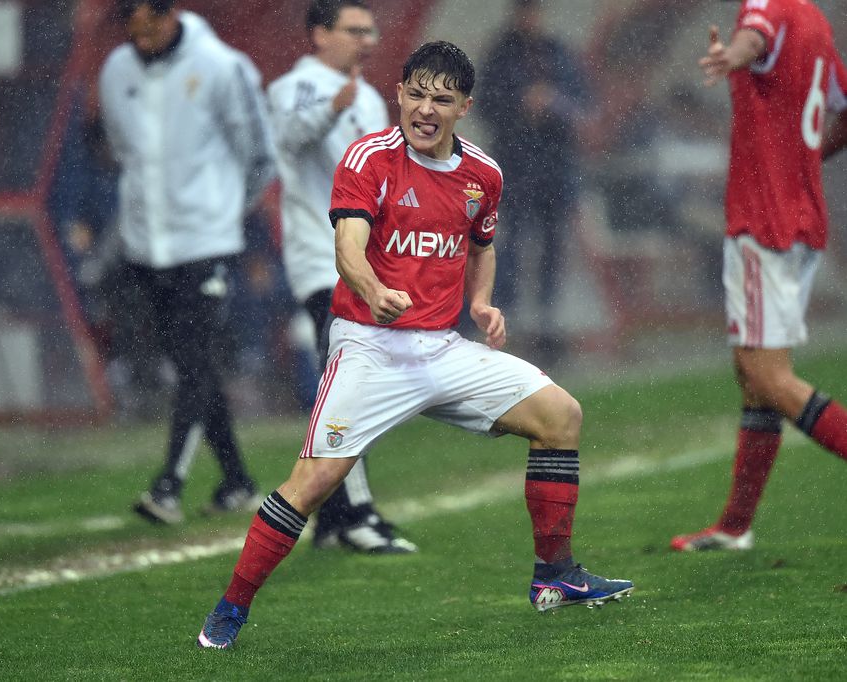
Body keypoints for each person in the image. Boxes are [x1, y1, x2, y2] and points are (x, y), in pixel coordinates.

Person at [196, 40, 633, 650]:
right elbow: (348, 248)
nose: (426, 110)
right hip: (369, 346)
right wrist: (372, 290)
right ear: (399, 93)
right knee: (313, 482)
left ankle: (554, 576)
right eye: (417, 95)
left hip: (441, 348)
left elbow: (481, 244)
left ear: (463, 108)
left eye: (442, 100)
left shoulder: (484, 174)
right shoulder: (368, 158)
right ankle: (231, 607)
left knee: (561, 415)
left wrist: (481, 303)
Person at [671, 0, 847, 552]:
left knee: (767, 377)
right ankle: (734, 526)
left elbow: (755, 33)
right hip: (800, 217)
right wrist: (809, 158)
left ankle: (735, 526)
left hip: (763, 220)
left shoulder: (770, 5)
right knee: (755, 378)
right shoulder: (816, 20)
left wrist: (732, 55)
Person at [98, 0, 277, 523]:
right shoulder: (116, 70)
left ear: (170, 13)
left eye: (148, 25)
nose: (140, 38)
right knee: (189, 363)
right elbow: (123, 152)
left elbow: (259, 156)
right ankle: (238, 480)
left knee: (194, 358)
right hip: (144, 246)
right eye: (130, 28)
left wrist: (222, 215)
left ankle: (169, 485)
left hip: (206, 243)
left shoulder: (222, 66)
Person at [266, 0, 416, 554]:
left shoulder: (372, 97)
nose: (367, 39)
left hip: (368, 262)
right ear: (320, 34)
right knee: (348, 382)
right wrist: (333, 107)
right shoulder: (294, 88)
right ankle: (355, 514)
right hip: (318, 257)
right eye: (354, 30)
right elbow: (287, 140)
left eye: (371, 30)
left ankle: (337, 520)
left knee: (357, 381)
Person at [476, 0, 589, 363]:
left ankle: (547, 326)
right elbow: (485, 105)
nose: (531, 19)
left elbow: (582, 104)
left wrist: (553, 104)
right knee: (510, 245)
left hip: (554, 167)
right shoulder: (500, 54)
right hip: (517, 167)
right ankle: (505, 321)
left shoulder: (557, 52)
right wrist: (520, 104)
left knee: (553, 249)